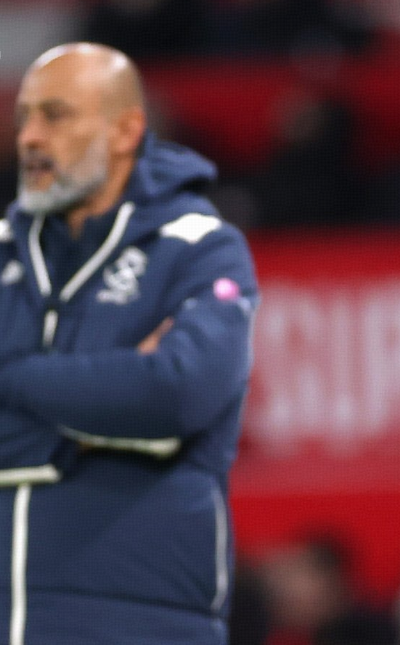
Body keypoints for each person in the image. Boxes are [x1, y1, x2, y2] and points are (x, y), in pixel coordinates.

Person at [0, 43, 258, 644]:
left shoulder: (200, 247)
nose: (30, 137)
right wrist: (98, 411)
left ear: (125, 130)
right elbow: (143, 399)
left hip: (137, 622)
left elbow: (177, 395)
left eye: (55, 115)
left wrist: (10, 380)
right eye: (24, 118)